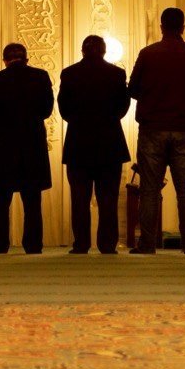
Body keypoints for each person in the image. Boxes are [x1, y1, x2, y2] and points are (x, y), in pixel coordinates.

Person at [127, 7, 185, 254]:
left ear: (161, 26)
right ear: (183, 27)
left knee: (149, 189)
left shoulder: (148, 54)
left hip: (153, 128)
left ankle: (147, 244)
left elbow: (133, 90)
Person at [0, 43, 54, 254]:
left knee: (1, 199)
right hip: (31, 144)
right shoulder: (40, 76)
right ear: (26, 59)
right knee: (32, 200)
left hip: (1, 147)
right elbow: (47, 109)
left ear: (5, 60)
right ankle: (33, 245)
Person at [58, 35, 130, 254]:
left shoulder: (69, 73)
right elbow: (123, 106)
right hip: (109, 142)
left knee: (79, 198)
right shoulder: (117, 74)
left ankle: (81, 243)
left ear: (82, 51)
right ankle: (107, 244)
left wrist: (80, 121)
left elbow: (63, 107)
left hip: (78, 142)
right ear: (104, 51)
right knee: (108, 198)